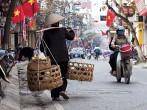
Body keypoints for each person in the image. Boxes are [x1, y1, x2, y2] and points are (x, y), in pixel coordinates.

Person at [40, 14, 75, 101]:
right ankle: (62, 90)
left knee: (54, 76)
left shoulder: (46, 32)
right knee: (63, 76)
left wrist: (45, 52)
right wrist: (71, 30)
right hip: (63, 58)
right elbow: (71, 37)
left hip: (52, 59)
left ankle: (55, 96)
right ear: (58, 23)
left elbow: (42, 47)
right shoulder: (63, 30)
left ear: (51, 24)